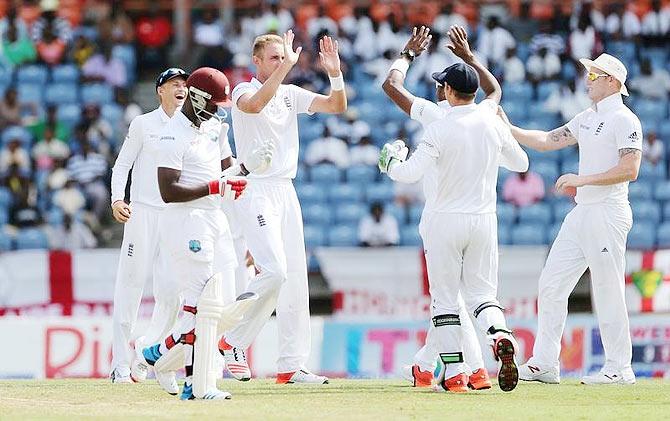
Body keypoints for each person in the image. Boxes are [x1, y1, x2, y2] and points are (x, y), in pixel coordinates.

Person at [380, 26, 528, 393]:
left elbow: (391, 87)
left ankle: (458, 374)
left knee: (445, 302)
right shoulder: (492, 117)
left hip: (443, 219)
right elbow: (521, 162)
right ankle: (498, 335)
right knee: (482, 297)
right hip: (484, 220)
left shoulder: (435, 119)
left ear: (446, 90)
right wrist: (470, 58)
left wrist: (389, 163)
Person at [498, 53, 642, 385]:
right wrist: (508, 128)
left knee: (607, 288)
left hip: (607, 210)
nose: (588, 79)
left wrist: (581, 179)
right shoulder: (587, 117)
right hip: (583, 212)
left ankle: (619, 367)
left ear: (613, 82)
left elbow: (630, 169)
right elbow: (549, 140)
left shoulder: (625, 119)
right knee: (551, 284)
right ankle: (545, 362)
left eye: (595, 74)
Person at [218, 30, 346, 385]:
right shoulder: (243, 90)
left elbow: (337, 106)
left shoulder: (290, 95)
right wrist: (286, 67)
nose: (281, 62)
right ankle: (233, 340)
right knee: (273, 271)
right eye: (274, 58)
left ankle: (291, 364)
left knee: (294, 281)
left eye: (283, 57)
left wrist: (334, 73)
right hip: (255, 187)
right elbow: (255, 105)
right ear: (256, 61)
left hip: (285, 189)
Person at [140, 67, 271, 400]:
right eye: (213, 102)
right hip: (185, 220)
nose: (217, 108)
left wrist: (247, 167)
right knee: (201, 305)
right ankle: (195, 385)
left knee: (223, 304)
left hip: (215, 217)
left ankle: (161, 353)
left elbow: (227, 172)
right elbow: (168, 191)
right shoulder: (172, 134)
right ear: (196, 97)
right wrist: (218, 186)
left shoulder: (215, 126)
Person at [108, 68, 189, 386]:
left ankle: (154, 358)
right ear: (160, 91)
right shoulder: (143, 124)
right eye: (174, 84)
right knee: (129, 288)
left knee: (172, 294)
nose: (181, 89)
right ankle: (119, 366)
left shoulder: (191, 127)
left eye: (184, 84)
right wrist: (117, 199)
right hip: (141, 214)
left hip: (174, 217)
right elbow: (122, 164)